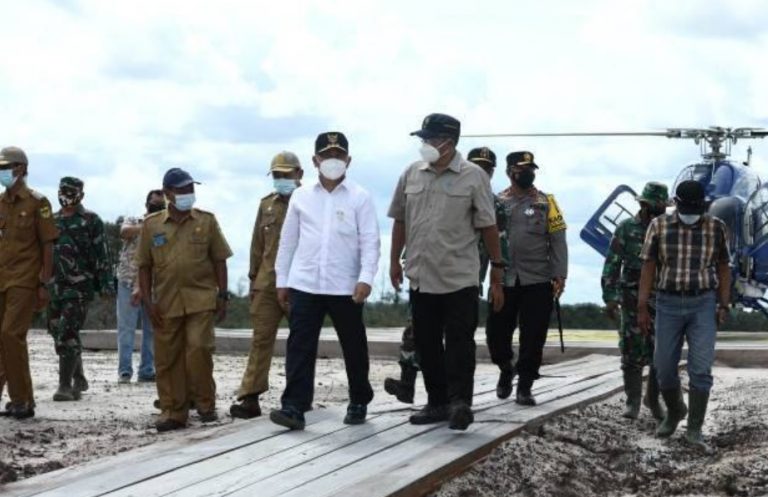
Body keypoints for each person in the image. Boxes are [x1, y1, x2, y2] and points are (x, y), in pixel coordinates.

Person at [388, 114, 505, 431]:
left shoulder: (473, 177)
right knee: (426, 344)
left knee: (459, 344)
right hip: (421, 276)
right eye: (422, 139)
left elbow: (489, 226)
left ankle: (460, 403)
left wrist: (497, 269)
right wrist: (393, 261)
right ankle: (437, 402)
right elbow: (399, 219)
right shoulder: (411, 173)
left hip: (459, 277)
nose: (423, 144)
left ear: (448, 142)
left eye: (429, 139)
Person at [270, 132, 380, 430]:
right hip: (305, 283)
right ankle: (294, 406)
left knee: (353, 345)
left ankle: (359, 398)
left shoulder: (360, 197)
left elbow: (371, 241)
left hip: (345, 286)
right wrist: (282, 280)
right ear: (315, 160)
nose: (333, 160)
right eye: (327, 155)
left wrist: (366, 277)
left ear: (348, 160)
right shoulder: (301, 196)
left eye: (339, 155)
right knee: (299, 346)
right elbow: (287, 242)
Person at [136, 167, 233, 432]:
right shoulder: (151, 225)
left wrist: (223, 295)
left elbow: (220, 260)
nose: (188, 194)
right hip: (165, 304)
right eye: (182, 190)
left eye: (191, 189)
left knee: (198, 349)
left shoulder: (207, 221)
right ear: (168, 193)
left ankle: (205, 404)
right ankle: (173, 411)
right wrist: (147, 302)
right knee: (167, 359)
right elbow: (143, 267)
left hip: (201, 299)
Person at [638, 179, 730, 450]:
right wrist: (642, 307)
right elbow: (648, 267)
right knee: (664, 368)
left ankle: (694, 429)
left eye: (696, 208)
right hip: (667, 303)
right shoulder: (659, 226)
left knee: (700, 369)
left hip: (703, 303)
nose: (690, 213)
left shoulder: (716, 228)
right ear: (675, 204)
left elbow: (724, 267)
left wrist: (724, 304)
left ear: (704, 206)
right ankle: (676, 409)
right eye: (685, 207)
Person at [485, 151, 568, 406]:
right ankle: (505, 368)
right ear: (510, 172)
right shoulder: (496, 202)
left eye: (532, 168)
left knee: (533, 337)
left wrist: (560, 273)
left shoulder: (547, 202)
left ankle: (525, 385)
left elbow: (558, 240)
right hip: (504, 279)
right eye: (523, 169)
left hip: (538, 280)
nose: (528, 173)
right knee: (496, 334)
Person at [230, 151, 303, 419]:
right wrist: (252, 280)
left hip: (299, 285)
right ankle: (250, 397)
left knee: (301, 343)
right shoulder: (266, 205)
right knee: (260, 341)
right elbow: (257, 247)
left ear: (299, 175)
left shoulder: (310, 202)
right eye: (277, 175)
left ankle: (296, 399)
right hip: (267, 283)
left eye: (287, 174)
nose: (282, 179)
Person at [601, 182, 669, 420]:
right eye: (656, 205)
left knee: (661, 352)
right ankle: (633, 402)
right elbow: (612, 263)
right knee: (631, 351)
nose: (660, 209)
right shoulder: (626, 228)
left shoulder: (668, 229)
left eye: (663, 205)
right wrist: (609, 297)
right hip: (630, 298)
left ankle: (653, 399)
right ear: (643, 204)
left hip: (662, 299)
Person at [0, 146, 59, 419]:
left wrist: (43, 283)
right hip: (1, 278)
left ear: (21, 169)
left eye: (6, 168)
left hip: (24, 279)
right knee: (4, 339)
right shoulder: (0, 203)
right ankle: (18, 399)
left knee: (11, 334)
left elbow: (48, 246)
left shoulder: (38, 202)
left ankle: (22, 399)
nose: (2, 173)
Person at [47, 177, 113, 401]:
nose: (66, 195)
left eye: (71, 192)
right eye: (63, 191)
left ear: (81, 195)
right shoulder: (51, 221)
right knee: (57, 331)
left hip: (79, 287)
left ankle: (64, 386)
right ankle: (79, 377)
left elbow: (102, 254)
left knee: (67, 332)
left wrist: (106, 284)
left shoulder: (91, 221)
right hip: (54, 286)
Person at [116, 190, 165, 383]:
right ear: (147, 205)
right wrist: (147, 226)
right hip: (127, 281)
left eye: (161, 207)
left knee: (151, 330)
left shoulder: (164, 228)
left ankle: (147, 370)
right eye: (154, 205)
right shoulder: (134, 220)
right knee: (126, 328)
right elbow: (124, 231)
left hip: (153, 285)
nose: (157, 209)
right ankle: (124, 371)